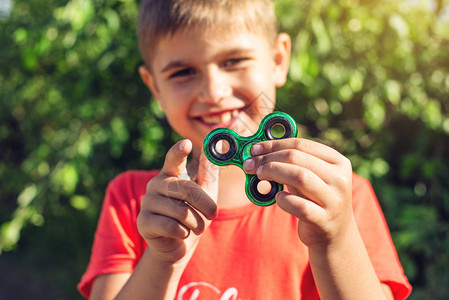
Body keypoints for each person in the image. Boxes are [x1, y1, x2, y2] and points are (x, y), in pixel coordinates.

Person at [78, 0, 412, 299]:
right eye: (183, 72)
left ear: (278, 60)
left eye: (234, 60)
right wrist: (163, 258)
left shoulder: (339, 198)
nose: (213, 91)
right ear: (155, 88)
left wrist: (334, 238)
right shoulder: (133, 202)